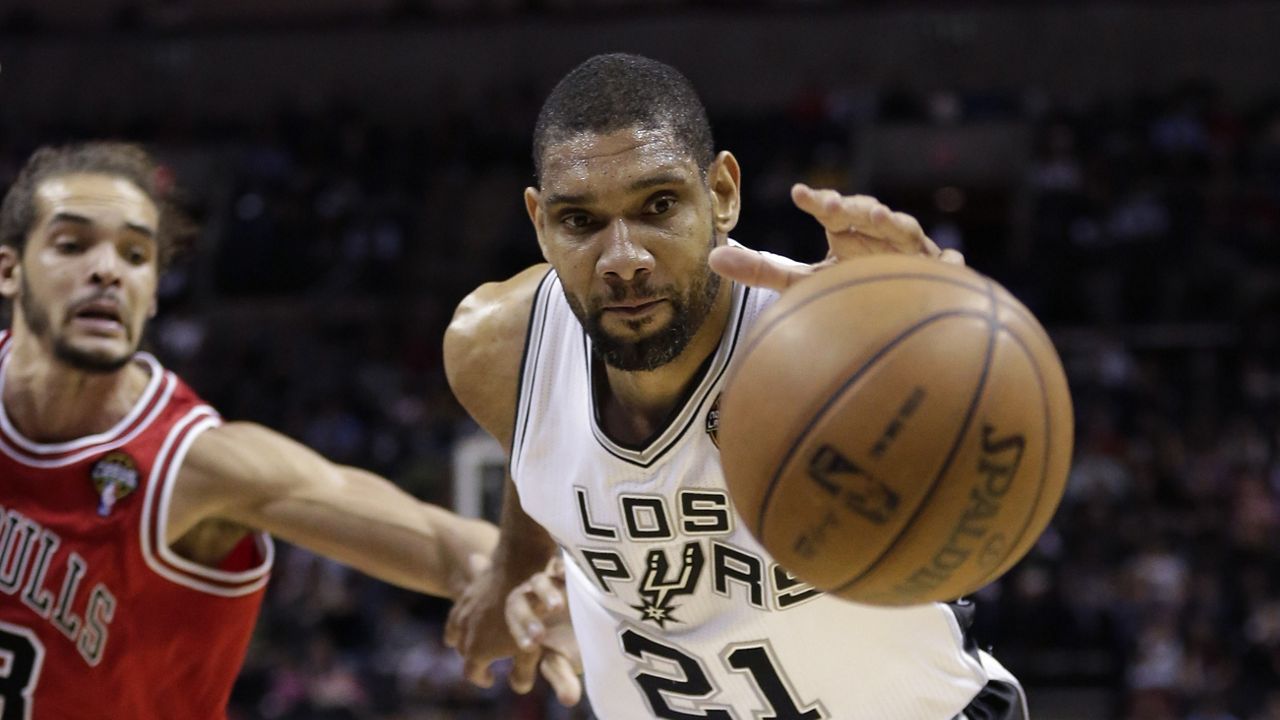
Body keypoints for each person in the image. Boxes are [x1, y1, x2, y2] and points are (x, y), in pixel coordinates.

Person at [443, 53, 1028, 719]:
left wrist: (932, 331)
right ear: (540, 224)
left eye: (659, 204)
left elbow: (984, 475)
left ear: (722, 193)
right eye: (581, 221)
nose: (624, 260)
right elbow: (538, 454)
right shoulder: (493, 352)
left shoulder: (833, 351)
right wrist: (513, 562)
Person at [0, 141, 579, 719]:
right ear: (9, 270)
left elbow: (443, 544)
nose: (106, 271)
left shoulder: (194, 463)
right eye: (71, 245)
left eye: (134, 254)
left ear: (152, 293)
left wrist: (526, 587)